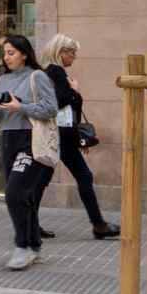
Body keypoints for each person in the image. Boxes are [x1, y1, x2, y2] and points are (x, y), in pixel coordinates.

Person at [0, 34, 58, 271]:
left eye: (11, 53)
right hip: (9, 139)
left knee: (14, 193)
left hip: (31, 139)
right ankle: (34, 246)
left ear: (24, 54)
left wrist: (21, 107)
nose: (7, 58)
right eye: (5, 53)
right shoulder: (3, 80)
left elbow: (50, 108)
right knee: (24, 197)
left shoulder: (37, 77)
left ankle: (22, 246)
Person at [42, 34, 122, 240]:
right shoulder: (56, 72)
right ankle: (98, 224)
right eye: (72, 53)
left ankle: (30, 224)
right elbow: (59, 102)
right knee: (81, 177)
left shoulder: (51, 72)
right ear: (61, 53)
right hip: (61, 135)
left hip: (62, 135)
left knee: (42, 179)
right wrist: (74, 91)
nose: (74, 57)